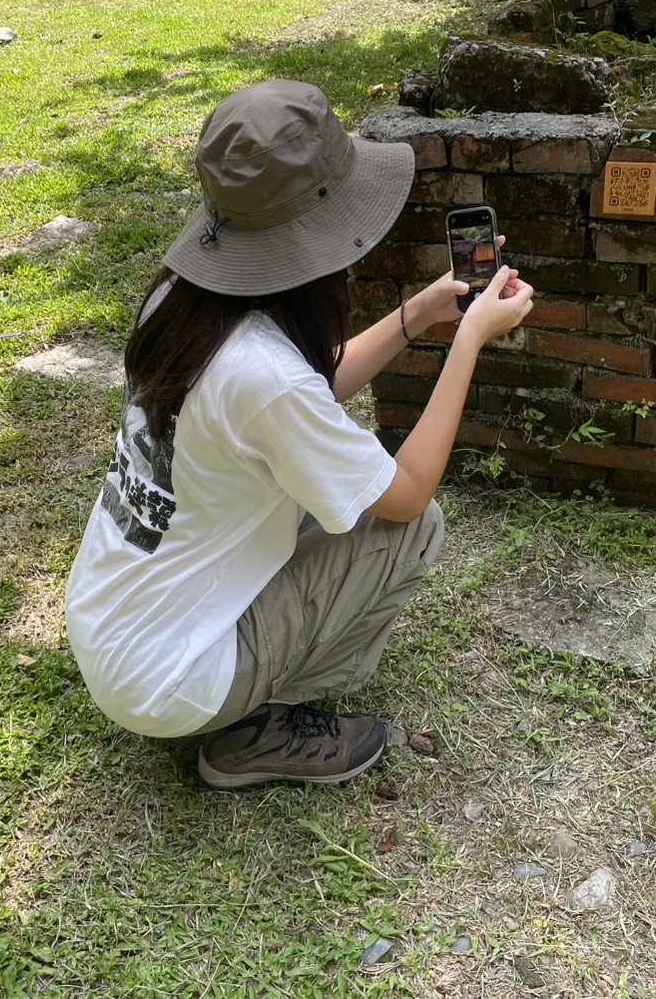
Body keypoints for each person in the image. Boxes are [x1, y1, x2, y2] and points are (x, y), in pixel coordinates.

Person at [65, 80, 534, 789]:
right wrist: (469, 340)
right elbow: (407, 495)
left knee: (342, 499)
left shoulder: (178, 304)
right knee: (412, 528)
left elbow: (305, 388)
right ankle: (258, 730)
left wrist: (423, 312)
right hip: (170, 681)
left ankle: (246, 689)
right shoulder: (264, 378)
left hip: (115, 626)